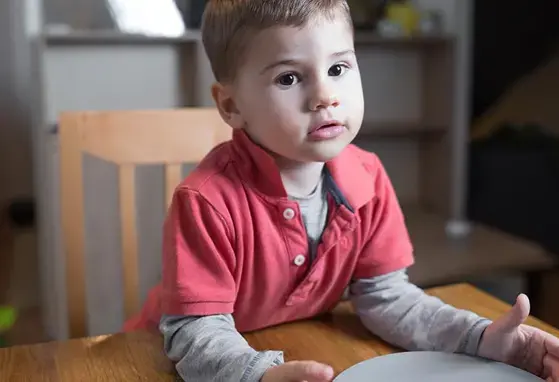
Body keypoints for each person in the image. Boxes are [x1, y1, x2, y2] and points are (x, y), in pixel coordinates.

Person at [124, 0, 559, 381]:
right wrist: (256, 375)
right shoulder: (206, 201)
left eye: (337, 68)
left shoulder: (367, 177)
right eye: (289, 78)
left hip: (303, 343)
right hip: (165, 361)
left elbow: (387, 298)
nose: (325, 96)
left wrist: (479, 338)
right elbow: (194, 332)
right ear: (231, 106)